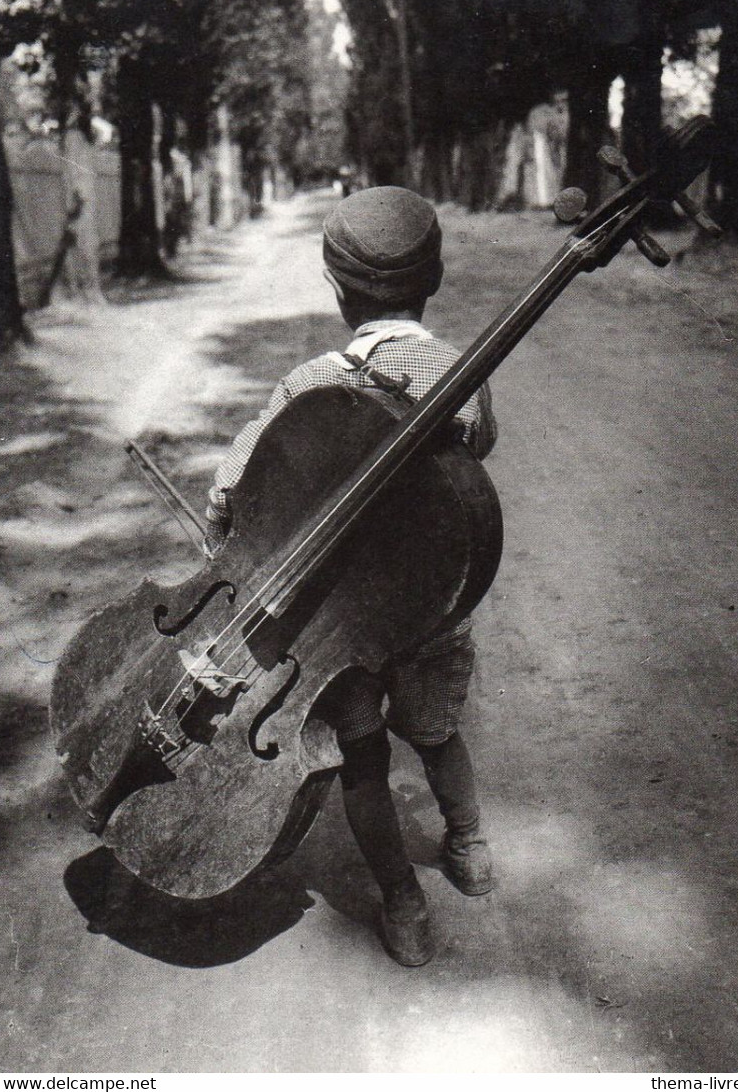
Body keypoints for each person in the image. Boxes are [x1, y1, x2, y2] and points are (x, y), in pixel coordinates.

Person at [204, 186, 498, 967]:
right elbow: (477, 457)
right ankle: (468, 847)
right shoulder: (463, 374)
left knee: (362, 758)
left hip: (336, 623)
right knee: (436, 733)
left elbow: (234, 487)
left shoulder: (308, 384)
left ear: (336, 288)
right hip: (433, 607)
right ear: (430, 282)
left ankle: (403, 901)